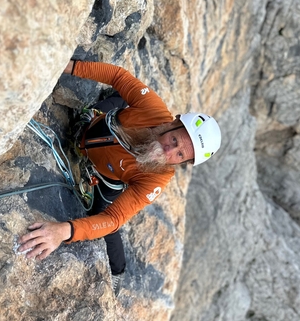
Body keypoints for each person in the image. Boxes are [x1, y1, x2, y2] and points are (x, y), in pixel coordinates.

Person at [18, 60, 221, 294]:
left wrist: (62, 232)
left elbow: (113, 218)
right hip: (90, 127)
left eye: (180, 154)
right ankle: (119, 99)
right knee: (116, 98)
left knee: (105, 223)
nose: (169, 151)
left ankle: (118, 269)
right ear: (173, 123)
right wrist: (65, 64)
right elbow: (118, 75)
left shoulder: (157, 178)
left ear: (184, 162)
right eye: (174, 141)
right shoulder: (153, 109)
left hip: (104, 177)